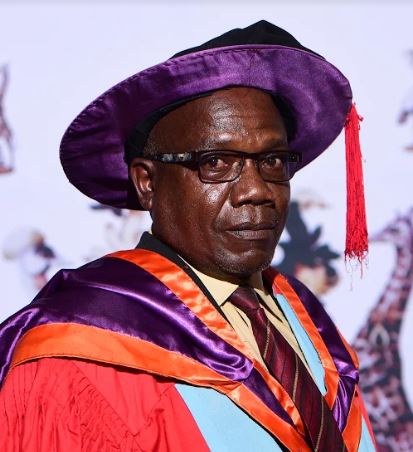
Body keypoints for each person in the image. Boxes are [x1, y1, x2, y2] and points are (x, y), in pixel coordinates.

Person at [0, 21, 376, 451]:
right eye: (216, 162)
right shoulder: (76, 354)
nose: (256, 190)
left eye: (272, 161)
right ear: (147, 182)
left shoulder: (306, 320)